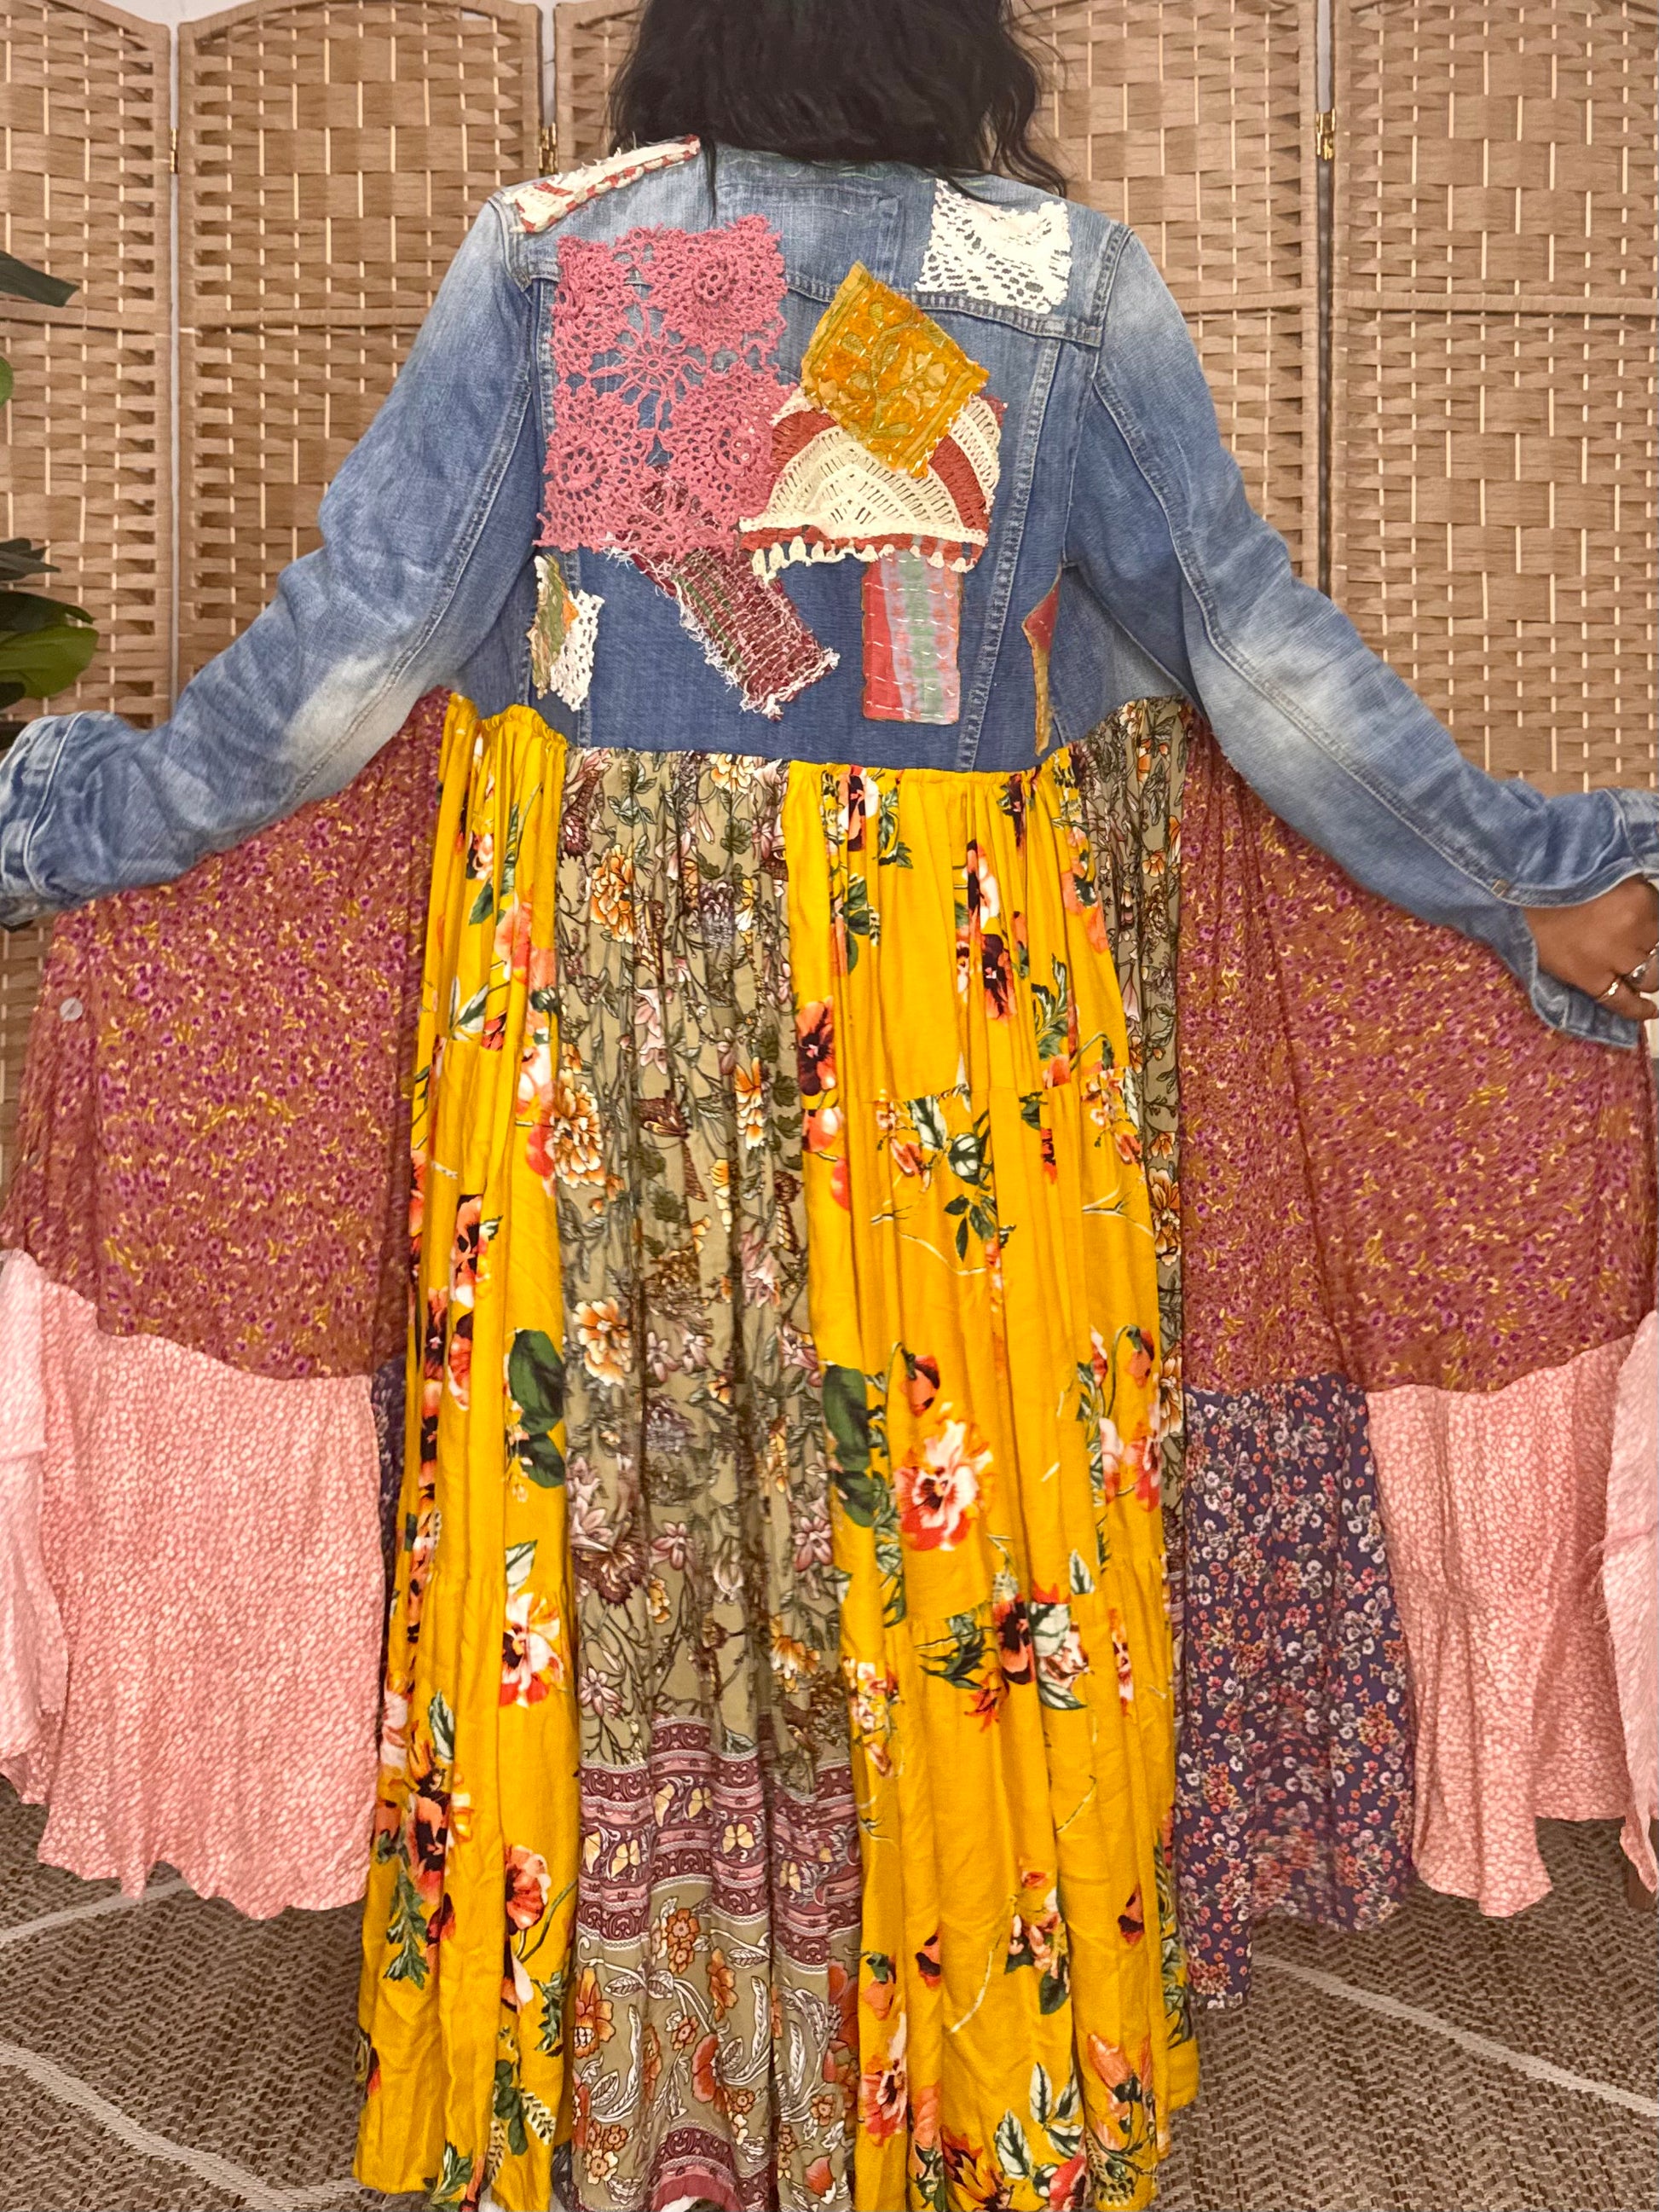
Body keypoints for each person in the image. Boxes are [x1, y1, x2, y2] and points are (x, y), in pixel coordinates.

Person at [0, 3, 1653, 2209]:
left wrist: (84, 819)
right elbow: (1252, 654)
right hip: (938, 1023)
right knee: (946, 1510)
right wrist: (1520, 871)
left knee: (622, 1509)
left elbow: (356, 654)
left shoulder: (577, 256)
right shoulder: (1052, 284)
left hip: (602, 1010)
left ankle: (623, 2064)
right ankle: (964, 2065)